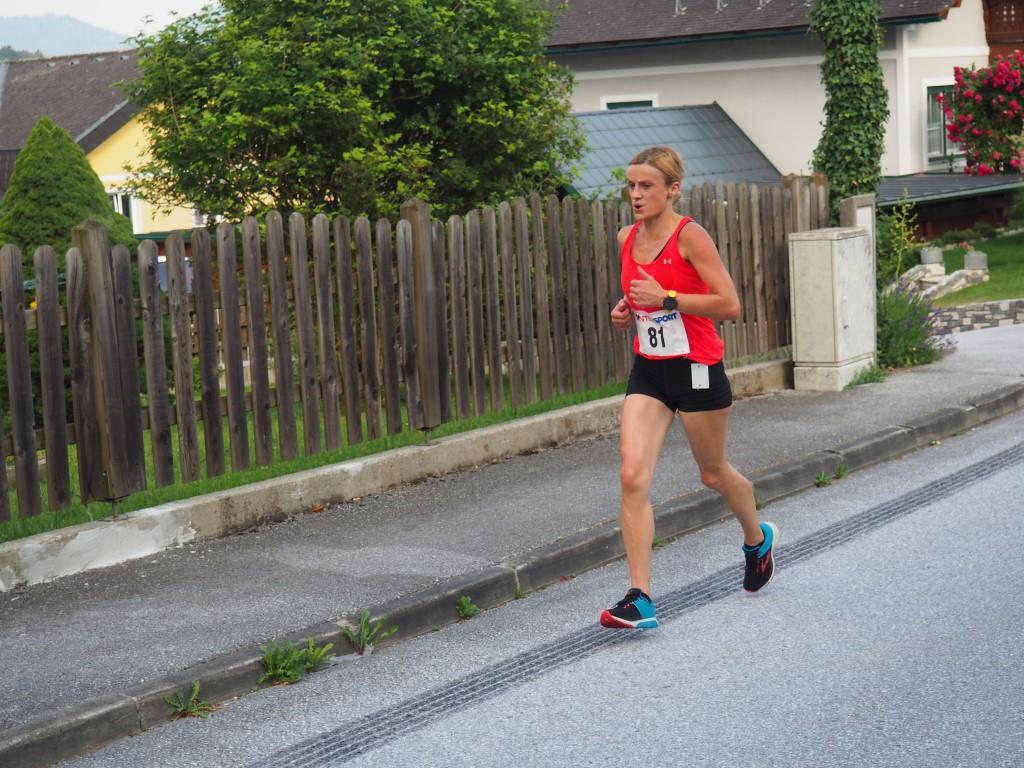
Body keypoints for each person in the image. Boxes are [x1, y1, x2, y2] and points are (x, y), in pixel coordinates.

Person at [600, 146, 777, 630]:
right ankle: (640, 597)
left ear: (672, 189)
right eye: (631, 186)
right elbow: (641, 293)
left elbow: (729, 304)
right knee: (631, 475)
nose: (636, 195)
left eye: (647, 186)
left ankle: (757, 538)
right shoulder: (626, 237)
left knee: (713, 473)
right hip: (650, 371)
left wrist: (668, 299)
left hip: (698, 368)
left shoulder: (690, 236)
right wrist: (627, 310)